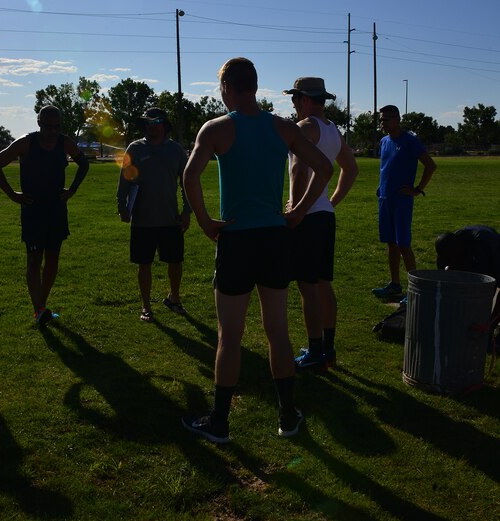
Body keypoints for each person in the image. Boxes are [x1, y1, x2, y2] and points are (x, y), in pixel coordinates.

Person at [180, 57, 333, 443]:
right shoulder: (281, 127)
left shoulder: (216, 128)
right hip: (274, 239)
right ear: (254, 85)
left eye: (221, 89)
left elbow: (189, 175)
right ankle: (286, 415)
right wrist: (297, 212)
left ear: (229, 87)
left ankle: (219, 421)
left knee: (229, 337)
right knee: (277, 332)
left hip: (236, 240)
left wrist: (205, 221)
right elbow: (325, 168)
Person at [283, 77, 359, 371]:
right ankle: (327, 349)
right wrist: (330, 202)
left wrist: (297, 209)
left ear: (303, 99)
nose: (293, 105)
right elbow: (350, 170)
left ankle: (315, 351)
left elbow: (300, 170)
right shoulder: (332, 130)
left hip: (307, 216)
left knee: (307, 285)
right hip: (323, 215)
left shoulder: (304, 128)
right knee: (323, 284)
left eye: (294, 99)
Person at [0, 105, 89, 325]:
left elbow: (84, 164)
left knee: (53, 259)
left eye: (56, 127)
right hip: (33, 210)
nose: (52, 132)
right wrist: (12, 194)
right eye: (48, 127)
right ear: (39, 123)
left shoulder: (65, 142)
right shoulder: (26, 142)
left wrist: (72, 190)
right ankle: (39, 308)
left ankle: (41, 306)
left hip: (56, 209)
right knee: (34, 260)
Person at [116, 107, 191, 322]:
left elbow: (187, 183)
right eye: (148, 123)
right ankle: (146, 306)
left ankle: (174, 298)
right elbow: (125, 180)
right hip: (142, 219)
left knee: (175, 261)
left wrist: (187, 211)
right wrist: (122, 205)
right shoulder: (135, 148)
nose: (152, 126)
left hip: (170, 218)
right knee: (144, 263)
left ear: (164, 124)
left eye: (156, 121)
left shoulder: (176, 151)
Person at [372, 104, 436, 299]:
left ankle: (414, 290)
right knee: (391, 244)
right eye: (381, 119)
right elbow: (387, 168)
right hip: (385, 200)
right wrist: (381, 187)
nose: (383, 123)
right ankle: (395, 284)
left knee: (403, 244)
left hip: (402, 201)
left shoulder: (410, 141)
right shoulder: (384, 141)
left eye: (386, 119)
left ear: (398, 119)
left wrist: (417, 189)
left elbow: (430, 165)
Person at [435, 225, 500, 347]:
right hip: (474, 253)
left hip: (490, 249)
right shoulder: (450, 244)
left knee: (483, 290)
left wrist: (490, 326)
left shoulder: (488, 249)